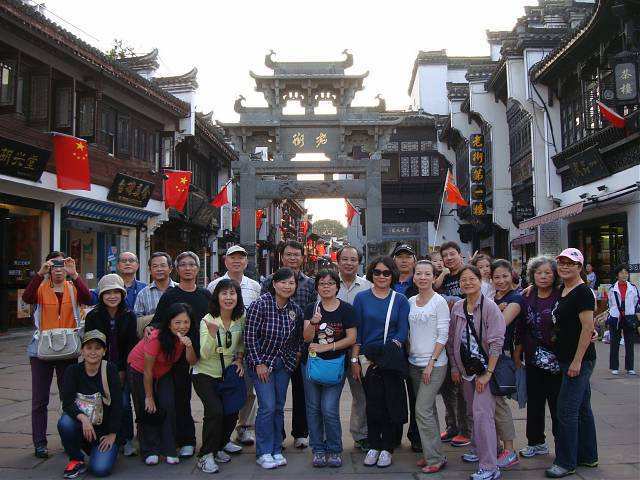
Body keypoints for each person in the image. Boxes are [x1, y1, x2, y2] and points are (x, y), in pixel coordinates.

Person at [23, 251, 92, 459]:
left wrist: (75, 274)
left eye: (62, 265)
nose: (59, 270)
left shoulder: (73, 287)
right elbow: (27, 298)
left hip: (68, 348)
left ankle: (68, 437)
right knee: (40, 399)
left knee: (68, 396)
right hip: (42, 348)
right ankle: (40, 442)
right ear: (48, 268)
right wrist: (39, 274)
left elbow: (88, 298)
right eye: (54, 266)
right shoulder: (41, 287)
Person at [148, 251, 212, 459]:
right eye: (183, 264)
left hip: (204, 355)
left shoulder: (205, 295)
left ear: (198, 269)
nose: (187, 268)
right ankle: (186, 440)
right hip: (177, 356)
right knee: (181, 399)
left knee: (211, 400)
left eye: (192, 264)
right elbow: (158, 321)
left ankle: (216, 440)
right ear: (176, 269)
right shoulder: (170, 295)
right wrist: (149, 327)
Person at [447, 265, 505, 480]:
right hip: (466, 370)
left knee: (482, 416)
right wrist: (455, 367)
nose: (468, 283)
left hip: (484, 371)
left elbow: (497, 343)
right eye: (464, 280)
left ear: (481, 281)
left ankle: (490, 466)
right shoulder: (458, 307)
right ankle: (483, 448)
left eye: (472, 279)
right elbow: (452, 339)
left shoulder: (490, 307)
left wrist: (488, 373)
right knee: (473, 413)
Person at [352, 256, 410, 468]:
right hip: (368, 359)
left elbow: (402, 331)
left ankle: (387, 447)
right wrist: (355, 359)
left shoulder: (400, 300)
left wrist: (387, 352)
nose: (382, 276)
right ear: (371, 274)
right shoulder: (361, 298)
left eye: (386, 272)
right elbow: (358, 332)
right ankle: (374, 444)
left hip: (390, 358)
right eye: (377, 272)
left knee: (390, 404)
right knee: (373, 404)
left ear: (392, 275)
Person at [545, 248, 598, 478]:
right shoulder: (563, 289)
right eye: (562, 262)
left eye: (570, 263)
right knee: (583, 409)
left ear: (580, 267)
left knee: (566, 411)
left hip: (578, 361)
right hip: (566, 358)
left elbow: (588, 328)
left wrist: (577, 361)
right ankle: (588, 456)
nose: (565, 267)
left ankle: (566, 462)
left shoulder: (583, 292)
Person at [246, 267, 304, 469]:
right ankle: (263, 451)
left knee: (279, 407)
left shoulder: (295, 309)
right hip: (262, 364)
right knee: (267, 406)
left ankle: (276, 448)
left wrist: (294, 358)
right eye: (283, 282)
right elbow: (250, 337)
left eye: (291, 283)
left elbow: (298, 338)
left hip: (283, 365)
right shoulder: (260, 304)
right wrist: (258, 363)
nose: (287, 286)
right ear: (274, 284)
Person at [260, 241, 315, 449]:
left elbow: (312, 314)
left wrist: (302, 347)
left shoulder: (309, 284)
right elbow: (263, 313)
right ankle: (278, 434)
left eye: (296, 255)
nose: (292, 258)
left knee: (302, 392)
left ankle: (301, 432)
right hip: (274, 348)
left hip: (301, 346)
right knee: (276, 395)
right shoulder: (269, 281)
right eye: (288, 254)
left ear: (302, 257)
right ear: (281, 257)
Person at [128, 303, 197, 465]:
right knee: (148, 408)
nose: (182, 326)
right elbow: (147, 371)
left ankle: (169, 448)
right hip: (140, 370)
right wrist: (149, 396)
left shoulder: (185, 337)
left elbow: (192, 361)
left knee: (168, 404)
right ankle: (150, 449)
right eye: (177, 322)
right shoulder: (156, 338)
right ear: (169, 323)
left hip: (163, 371)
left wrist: (189, 346)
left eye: (186, 322)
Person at [207, 245, 261, 448]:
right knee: (222, 390)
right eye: (232, 257)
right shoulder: (214, 286)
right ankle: (222, 433)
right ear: (225, 261)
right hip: (221, 348)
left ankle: (245, 427)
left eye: (241, 258)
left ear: (246, 262)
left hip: (248, 346)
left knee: (248, 390)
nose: (237, 261)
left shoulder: (254, 286)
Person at [302, 269, 356, 468]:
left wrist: (327, 347)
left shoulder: (346, 309)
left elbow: (351, 338)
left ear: (337, 287)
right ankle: (317, 449)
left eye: (330, 283)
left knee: (329, 409)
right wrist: (313, 323)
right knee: (313, 409)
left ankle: (334, 449)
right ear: (317, 287)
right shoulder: (311, 308)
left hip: (335, 365)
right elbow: (306, 338)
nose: (326, 287)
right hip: (311, 365)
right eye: (322, 284)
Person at [193, 279, 246, 474]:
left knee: (231, 411)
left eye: (232, 293)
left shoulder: (240, 318)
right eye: (224, 293)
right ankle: (206, 454)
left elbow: (241, 343)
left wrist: (239, 359)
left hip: (227, 373)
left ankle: (219, 445)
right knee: (215, 412)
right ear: (217, 297)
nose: (228, 297)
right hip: (205, 374)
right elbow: (204, 354)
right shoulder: (208, 320)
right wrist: (212, 334)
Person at [84, 274, 138, 457]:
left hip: (123, 366)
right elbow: (90, 344)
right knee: (101, 401)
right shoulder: (93, 316)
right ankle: (100, 436)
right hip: (99, 366)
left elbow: (131, 345)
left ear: (122, 294)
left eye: (116, 292)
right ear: (101, 295)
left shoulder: (129, 315)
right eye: (108, 292)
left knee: (123, 403)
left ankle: (127, 439)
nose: (112, 296)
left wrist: (122, 369)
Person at [513, 256, 562, 459]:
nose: (543, 276)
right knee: (534, 403)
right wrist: (517, 353)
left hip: (557, 359)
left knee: (557, 404)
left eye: (547, 273)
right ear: (532, 275)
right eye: (539, 273)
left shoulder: (561, 295)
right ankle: (536, 442)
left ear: (554, 275)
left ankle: (562, 444)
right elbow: (521, 327)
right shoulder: (526, 296)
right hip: (533, 358)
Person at [57, 330, 122, 479]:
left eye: (98, 348)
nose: (93, 352)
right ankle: (76, 458)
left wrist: (113, 434)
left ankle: (103, 452)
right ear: (82, 350)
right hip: (82, 427)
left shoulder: (110, 369)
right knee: (65, 422)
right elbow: (67, 402)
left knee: (99, 469)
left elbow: (118, 404)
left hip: (104, 432)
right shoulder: (72, 371)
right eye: (89, 347)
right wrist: (83, 418)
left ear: (104, 351)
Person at [408, 260, 450, 474]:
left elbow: (443, 334)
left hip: (434, 365)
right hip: (414, 363)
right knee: (429, 410)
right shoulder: (410, 301)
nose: (422, 277)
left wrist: (431, 362)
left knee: (422, 410)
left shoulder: (439, 301)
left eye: (427, 274)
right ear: (413, 276)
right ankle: (431, 451)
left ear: (434, 277)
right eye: (419, 273)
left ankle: (435, 459)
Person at [335, 245, 371, 451]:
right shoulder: (329, 283)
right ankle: (330, 438)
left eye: (353, 260)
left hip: (360, 349)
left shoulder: (367, 286)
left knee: (361, 395)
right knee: (330, 396)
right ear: (338, 261)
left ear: (359, 262)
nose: (349, 263)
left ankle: (361, 435)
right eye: (345, 259)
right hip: (333, 350)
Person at [434, 241, 471, 447]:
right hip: (446, 336)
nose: (449, 258)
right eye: (445, 256)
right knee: (447, 385)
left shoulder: (468, 274)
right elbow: (434, 290)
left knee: (464, 387)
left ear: (460, 255)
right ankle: (452, 426)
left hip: (465, 337)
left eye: (452, 254)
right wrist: (442, 274)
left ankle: (466, 430)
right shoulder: (445, 277)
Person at [488, 260, 521, 470]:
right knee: (489, 405)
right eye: (497, 277)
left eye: (505, 276)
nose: (501, 281)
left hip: (501, 356)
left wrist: (493, 312)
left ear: (512, 275)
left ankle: (509, 450)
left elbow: (499, 324)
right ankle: (496, 445)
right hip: (489, 354)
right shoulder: (494, 299)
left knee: (499, 403)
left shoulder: (515, 299)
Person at [392, 244, 421, 452]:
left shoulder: (420, 283)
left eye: (408, 257)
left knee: (416, 394)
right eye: (400, 256)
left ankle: (417, 436)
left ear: (414, 260)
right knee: (394, 394)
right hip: (393, 346)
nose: (404, 260)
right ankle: (394, 435)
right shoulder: (387, 281)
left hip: (416, 346)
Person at [134, 252, 177, 337]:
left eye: (163, 265)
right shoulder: (143, 294)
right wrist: (146, 326)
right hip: (153, 338)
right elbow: (137, 320)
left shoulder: (179, 289)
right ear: (150, 270)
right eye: (155, 266)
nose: (159, 269)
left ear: (170, 269)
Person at [607, 264, 638, 375]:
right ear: (617, 275)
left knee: (629, 343)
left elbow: (635, 302)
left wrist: (630, 311)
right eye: (621, 273)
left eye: (626, 273)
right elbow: (610, 303)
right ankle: (614, 367)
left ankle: (630, 367)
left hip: (629, 317)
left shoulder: (633, 288)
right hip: (616, 318)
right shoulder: (612, 289)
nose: (624, 275)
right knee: (614, 343)